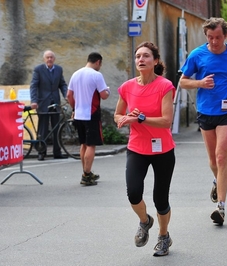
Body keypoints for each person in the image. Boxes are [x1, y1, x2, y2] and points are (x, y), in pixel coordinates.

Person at [179, 17, 227, 226]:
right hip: (206, 111)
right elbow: (183, 82)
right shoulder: (197, 55)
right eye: (210, 37)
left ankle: (221, 207)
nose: (214, 41)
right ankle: (216, 180)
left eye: (218, 37)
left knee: (221, 157)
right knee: (212, 161)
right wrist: (200, 82)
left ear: (225, 35)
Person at [114, 42, 176, 256]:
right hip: (137, 148)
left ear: (155, 61)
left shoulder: (165, 86)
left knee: (161, 199)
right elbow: (117, 115)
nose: (141, 59)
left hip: (163, 150)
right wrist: (125, 118)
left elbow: (167, 121)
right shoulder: (127, 87)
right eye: (138, 56)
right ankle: (145, 221)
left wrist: (140, 118)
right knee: (133, 193)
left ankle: (163, 236)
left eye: (146, 56)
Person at [67, 52, 110, 186]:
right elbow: (104, 95)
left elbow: (69, 95)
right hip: (91, 113)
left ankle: (87, 172)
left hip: (78, 114)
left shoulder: (75, 74)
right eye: (100, 64)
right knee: (91, 145)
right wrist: (108, 91)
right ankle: (86, 175)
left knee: (83, 144)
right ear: (98, 62)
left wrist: (74, 108)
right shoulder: (96, 75)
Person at [30, 50, 68, 160]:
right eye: (47, 57)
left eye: (51, 57)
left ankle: (57, 152)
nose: (49, 59)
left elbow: (62, 84)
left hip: (55, 102)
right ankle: (41, 152)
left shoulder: (59, 69)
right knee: (43, 128)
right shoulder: (38, 70)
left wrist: (66, 95)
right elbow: (34, 86)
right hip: (43, 102)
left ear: (54, 59)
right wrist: (34, 100)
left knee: (57, 127)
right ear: (44, 59)